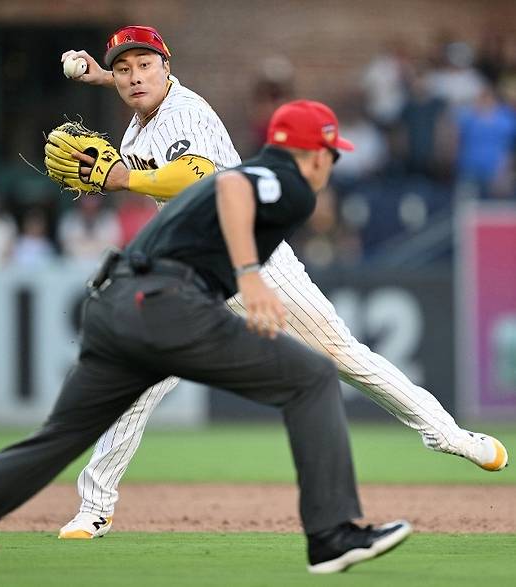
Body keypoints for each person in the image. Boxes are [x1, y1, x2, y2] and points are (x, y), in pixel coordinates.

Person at [0, 100, 413, 574]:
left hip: (112, 304)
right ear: (313, 154)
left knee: (53, 441)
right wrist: (250, 275)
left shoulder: (253, 170)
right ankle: (332, 536)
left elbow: (222, 187)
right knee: (314, 375)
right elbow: (232, 191)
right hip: (166, 305)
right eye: (331, 152)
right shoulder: (287, 182)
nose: (332, 162)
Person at [57, 25, 509, 542]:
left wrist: (121, 178)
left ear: (167, 66)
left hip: (254, 260)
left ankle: (448, 435)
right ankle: (95, 507)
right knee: (138, 381)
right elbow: (138, 102)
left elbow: (195, 175)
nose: (135, 77)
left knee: (344, 357)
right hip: (189, 270)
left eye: (144, 65)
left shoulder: (186, 112)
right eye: (123, 69)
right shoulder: (137, 122)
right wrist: (100, 77)